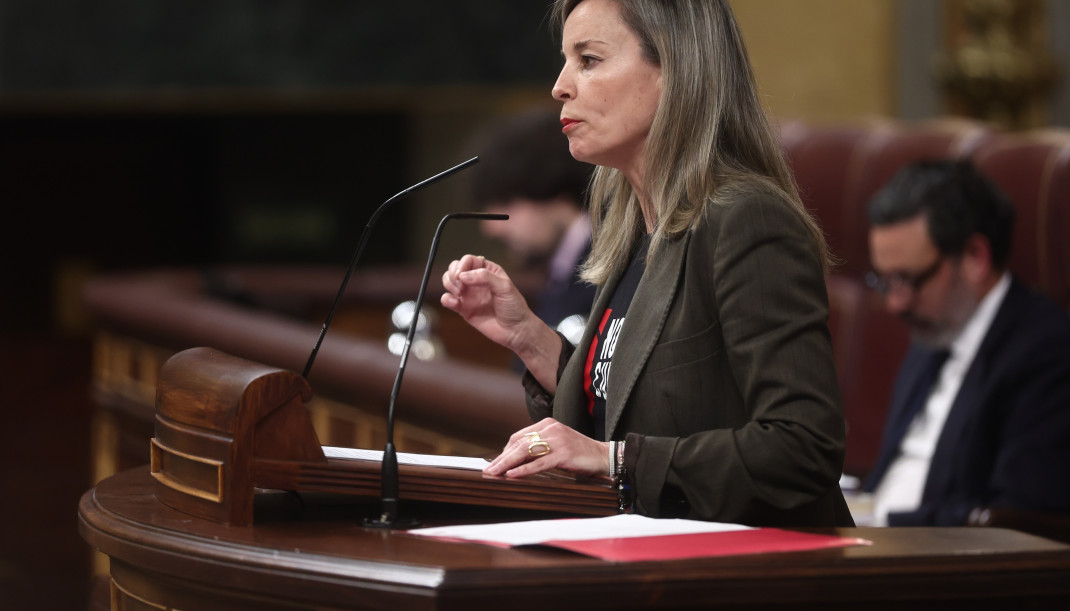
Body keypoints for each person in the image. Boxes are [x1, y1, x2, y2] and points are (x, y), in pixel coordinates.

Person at [441, 0, 852, 527]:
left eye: (588, 59)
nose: (560, 86)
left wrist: (614, 460)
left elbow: (803, 448)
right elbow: (629, 404)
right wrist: (528, 337)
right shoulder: (633, 229)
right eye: (566, 60)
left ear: (674, 72)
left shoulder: (747, 220)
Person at [862, 159, 1070, 527]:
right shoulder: (932, 333)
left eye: (908, 280)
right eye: (885, 282)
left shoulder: (1047, 354)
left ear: (975, 257)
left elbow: (1016, 521)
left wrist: (882, 521)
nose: (895, 304)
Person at [471, 109, 596, 345]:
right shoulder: (561, 272)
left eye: (506, 202)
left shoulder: (606, 266)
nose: (491, 229)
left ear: (551, 187)